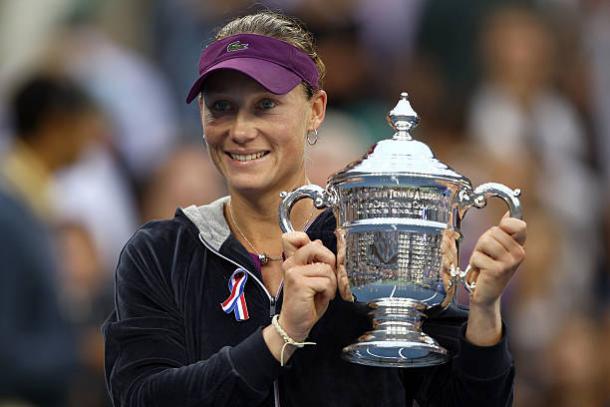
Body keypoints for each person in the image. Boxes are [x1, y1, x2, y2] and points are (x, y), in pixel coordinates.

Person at [103, 11, 527, 407]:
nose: (241, 130)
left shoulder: (374, 238)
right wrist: (281, 336)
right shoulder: (161, 253)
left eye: (265, 105)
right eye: (221, 108)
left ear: (316, 111)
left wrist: (486, 311)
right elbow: (141, 396)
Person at [0, 74, 94, 406]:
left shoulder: (31, 204)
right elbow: (7, 351)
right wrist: (82, 352)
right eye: (85, 124)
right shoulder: (8, 215)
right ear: (57, 124)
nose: (91, 136)